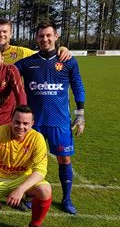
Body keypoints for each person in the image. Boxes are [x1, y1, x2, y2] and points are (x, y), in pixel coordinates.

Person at [15, 21, 86, 214]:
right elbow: (5, 72)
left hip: (59, 121)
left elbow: (78, 86)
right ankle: (31, 195)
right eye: (41, 36)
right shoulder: (28, 62)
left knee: (64, 159)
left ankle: (67, 199)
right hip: (33, 123)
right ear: (36, 38)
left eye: (48, 35)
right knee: (29, 159)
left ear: (56, 36)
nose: (44, 39)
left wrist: (80, 114)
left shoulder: (68, 61)